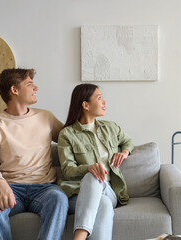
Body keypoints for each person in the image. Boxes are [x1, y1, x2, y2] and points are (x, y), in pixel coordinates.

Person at [0, 68, 68, 240]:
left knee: (59, 198)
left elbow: (72, 139)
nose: (36, 88)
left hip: (44, 188)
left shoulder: (45, 117)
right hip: (10, 189)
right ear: (14, 90)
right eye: (30, 84)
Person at [57, 83, 134, 240]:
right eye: (99, 98)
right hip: (77, 193)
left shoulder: (111, 128)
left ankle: (79, 236)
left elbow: (128, 141)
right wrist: (89, 168)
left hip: (110, 190)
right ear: (85, 105)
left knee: (97, 180)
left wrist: (125, 152)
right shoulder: (67, 134)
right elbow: (67, 169)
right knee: (103, 203)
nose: (104, 102)